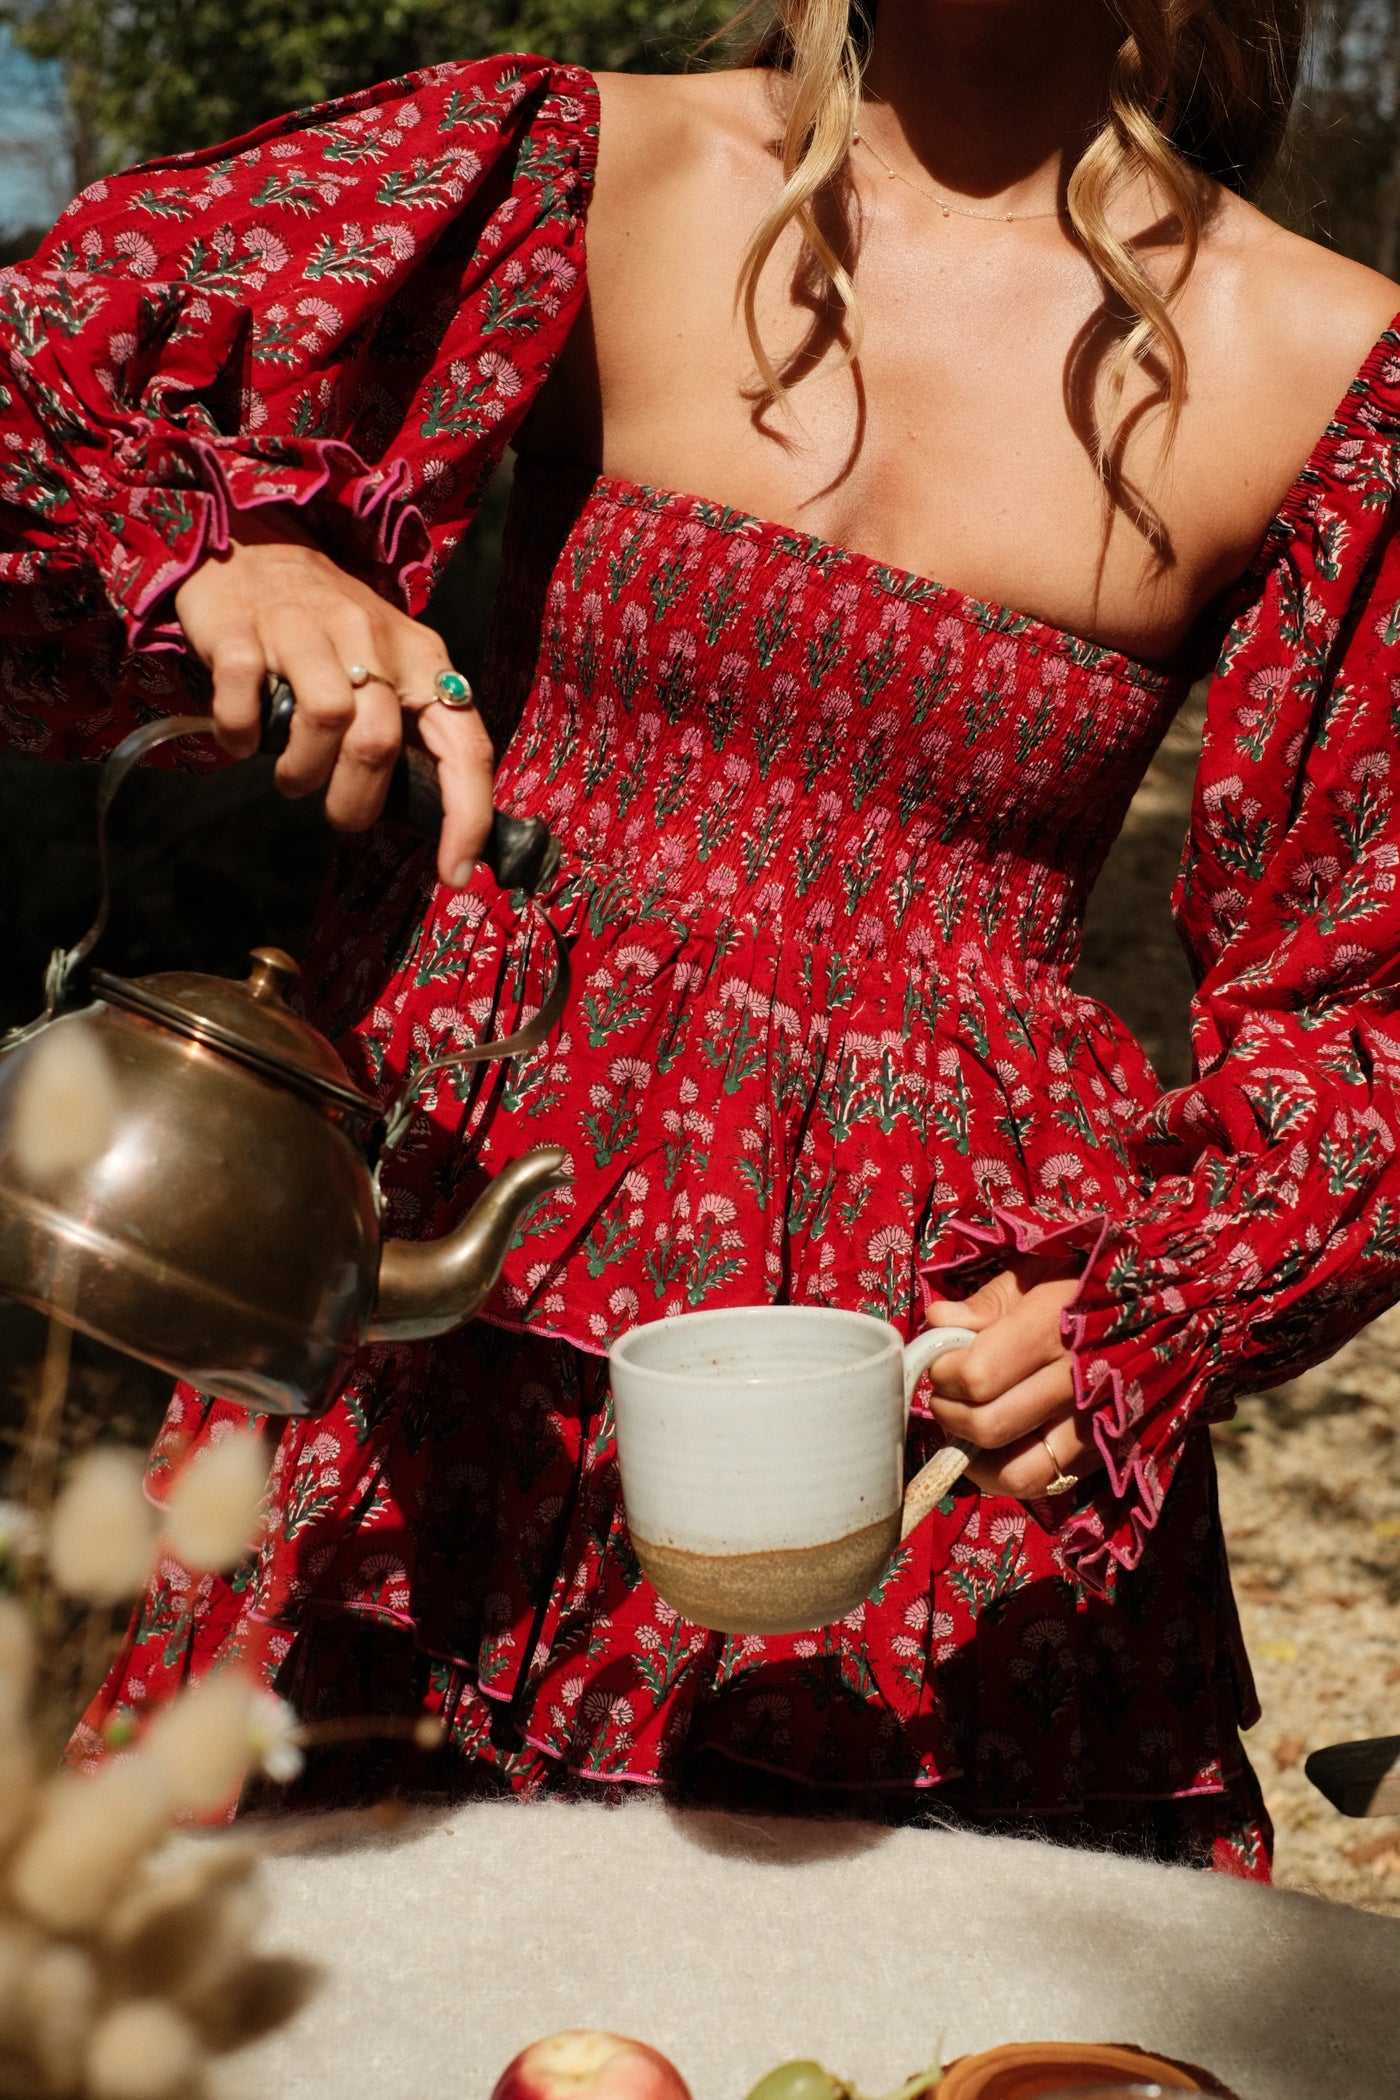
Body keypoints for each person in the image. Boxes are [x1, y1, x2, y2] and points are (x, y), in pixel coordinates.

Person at [2, 0, 1398, 1877]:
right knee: (332, 1945)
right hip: (451, 1257)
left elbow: (1373, 1000)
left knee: (872, 1996)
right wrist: (227, 553)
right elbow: (40, 378)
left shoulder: (1327, 362)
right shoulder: (578, 165)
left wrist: (1145, 1307)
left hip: (913, 1378)